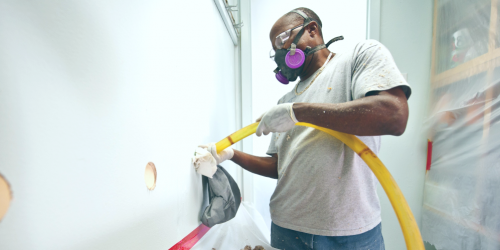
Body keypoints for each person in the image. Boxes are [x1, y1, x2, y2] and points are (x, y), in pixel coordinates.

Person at [198, 7, 411, 250]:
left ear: (312, 30)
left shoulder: (358, 58)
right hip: (287, 229)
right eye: (274, 49)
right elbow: (280, 167)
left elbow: (394, 115)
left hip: (349, 234)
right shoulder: (285, 101)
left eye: (281, 40)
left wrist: (297, 113)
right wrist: (231, 155)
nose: (279, 52)